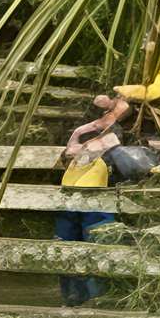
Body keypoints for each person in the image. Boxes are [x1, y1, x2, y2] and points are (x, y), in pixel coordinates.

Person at [54, 96, 132, 306]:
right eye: (111, 111)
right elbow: (66, 155)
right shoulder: (87, 131)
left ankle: (92, 298)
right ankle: (78, 296)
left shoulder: (112, 133)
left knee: (94, 242)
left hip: (90, 196)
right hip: (78, 195)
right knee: (72, 244)